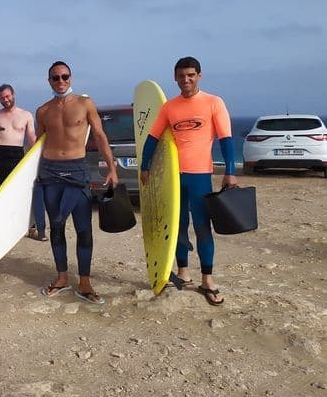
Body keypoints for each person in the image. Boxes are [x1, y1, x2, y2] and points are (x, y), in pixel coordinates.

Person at [140, 56, 236, 306]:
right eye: (181, 76)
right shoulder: (169, 107)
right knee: (178, 226)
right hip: (173, 178)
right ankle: (183, 271)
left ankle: (208, 279)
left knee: (203, 227)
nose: (186, 80)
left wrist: (230, 171)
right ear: (175, 78)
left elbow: (226, 140)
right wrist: (144, 166)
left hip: (200, 176)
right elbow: (152, 137)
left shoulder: (214, 103)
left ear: (199, 76)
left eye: (191, 75)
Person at [35, 61, 117, 304]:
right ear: (49, 80)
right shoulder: (43, 110)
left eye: (64, 76)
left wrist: (111, 168)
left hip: (76, 170)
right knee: (56, 227)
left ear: (71, 78)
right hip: (50, 173)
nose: (60, 81)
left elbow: (100, 136)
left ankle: (85, 282)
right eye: (55, 77)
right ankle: (61, 278)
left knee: (84, 229)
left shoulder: (84, 104)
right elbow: (36, 146)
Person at [0, 84, 43, 240]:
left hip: (16, 155)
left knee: (22, 192)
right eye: (2, 97)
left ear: (13, 95)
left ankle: (31, 228)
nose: (6, 100)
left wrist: (40, 155)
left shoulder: (26, 115)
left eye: (8, 96)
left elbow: (32, 138)